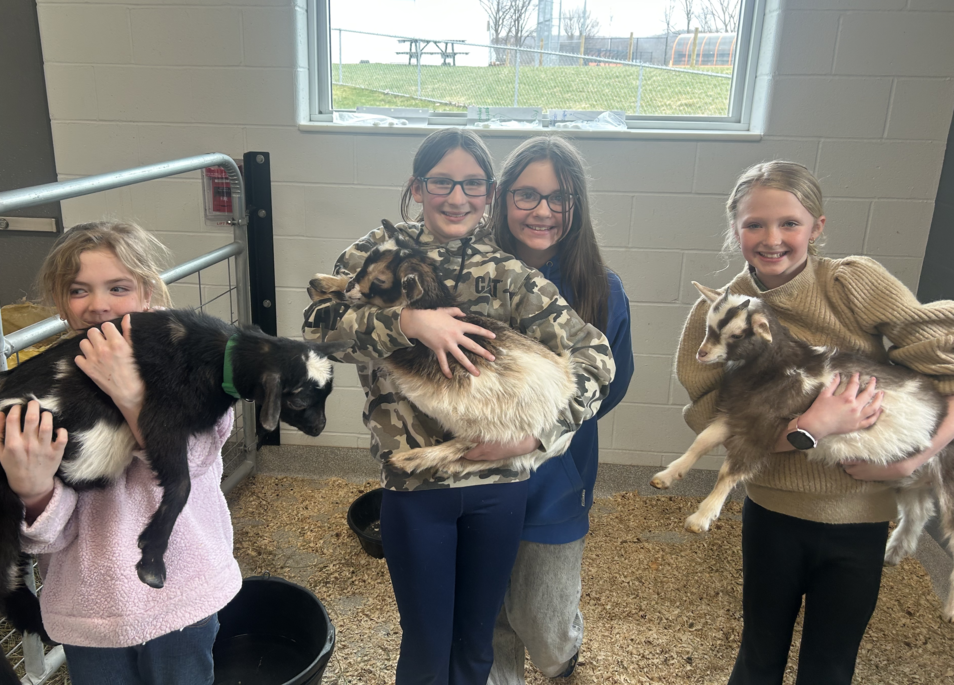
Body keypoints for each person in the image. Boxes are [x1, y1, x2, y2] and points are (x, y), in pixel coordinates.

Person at [302, 128, 615, 685]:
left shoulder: (509, 274)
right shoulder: (377, 253)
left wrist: (537, 437)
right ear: (417, 188)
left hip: (499, 487)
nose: (456, 197)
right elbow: (319, 332)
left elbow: (595, 355)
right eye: (441, 181)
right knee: (426, 646)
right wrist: (406, 322)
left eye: (472, 184)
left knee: (476, 645)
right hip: (416, 489)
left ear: (489, 194)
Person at [676, 161, 954, 685]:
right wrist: (810, 428)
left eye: (790, 223)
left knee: (830, 665)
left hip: (859, 519)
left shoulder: (852, 283)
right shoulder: (718, 310)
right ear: (735, 228)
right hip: (774, 512)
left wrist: (915, 458)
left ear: (817, 227)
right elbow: (709, 412)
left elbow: (947, 366)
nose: (772, 238)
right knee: (757, 657)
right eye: (754, 224)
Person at [0, 221, 241, 685]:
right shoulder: (48, 387)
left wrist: (132, 399)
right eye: (78, 290)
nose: (99, 304)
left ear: (148, 292)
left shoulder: (192, 364)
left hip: (181, 591)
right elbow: (48, 530)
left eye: (118, 287)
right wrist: (32, 490)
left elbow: (200, 457)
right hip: (91, 606)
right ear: (62, 301)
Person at [486, 137, 634, 684]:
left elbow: (612, 385)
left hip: (554, 477)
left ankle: (562, 656)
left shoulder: (602, 290)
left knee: (542, 619)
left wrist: (544, 429)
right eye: (527, 194)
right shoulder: (472, 277)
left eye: (558, 197)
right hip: (479, 473)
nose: (543, 210)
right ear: (502, 198)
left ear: (577, 206)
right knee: (488, 614)